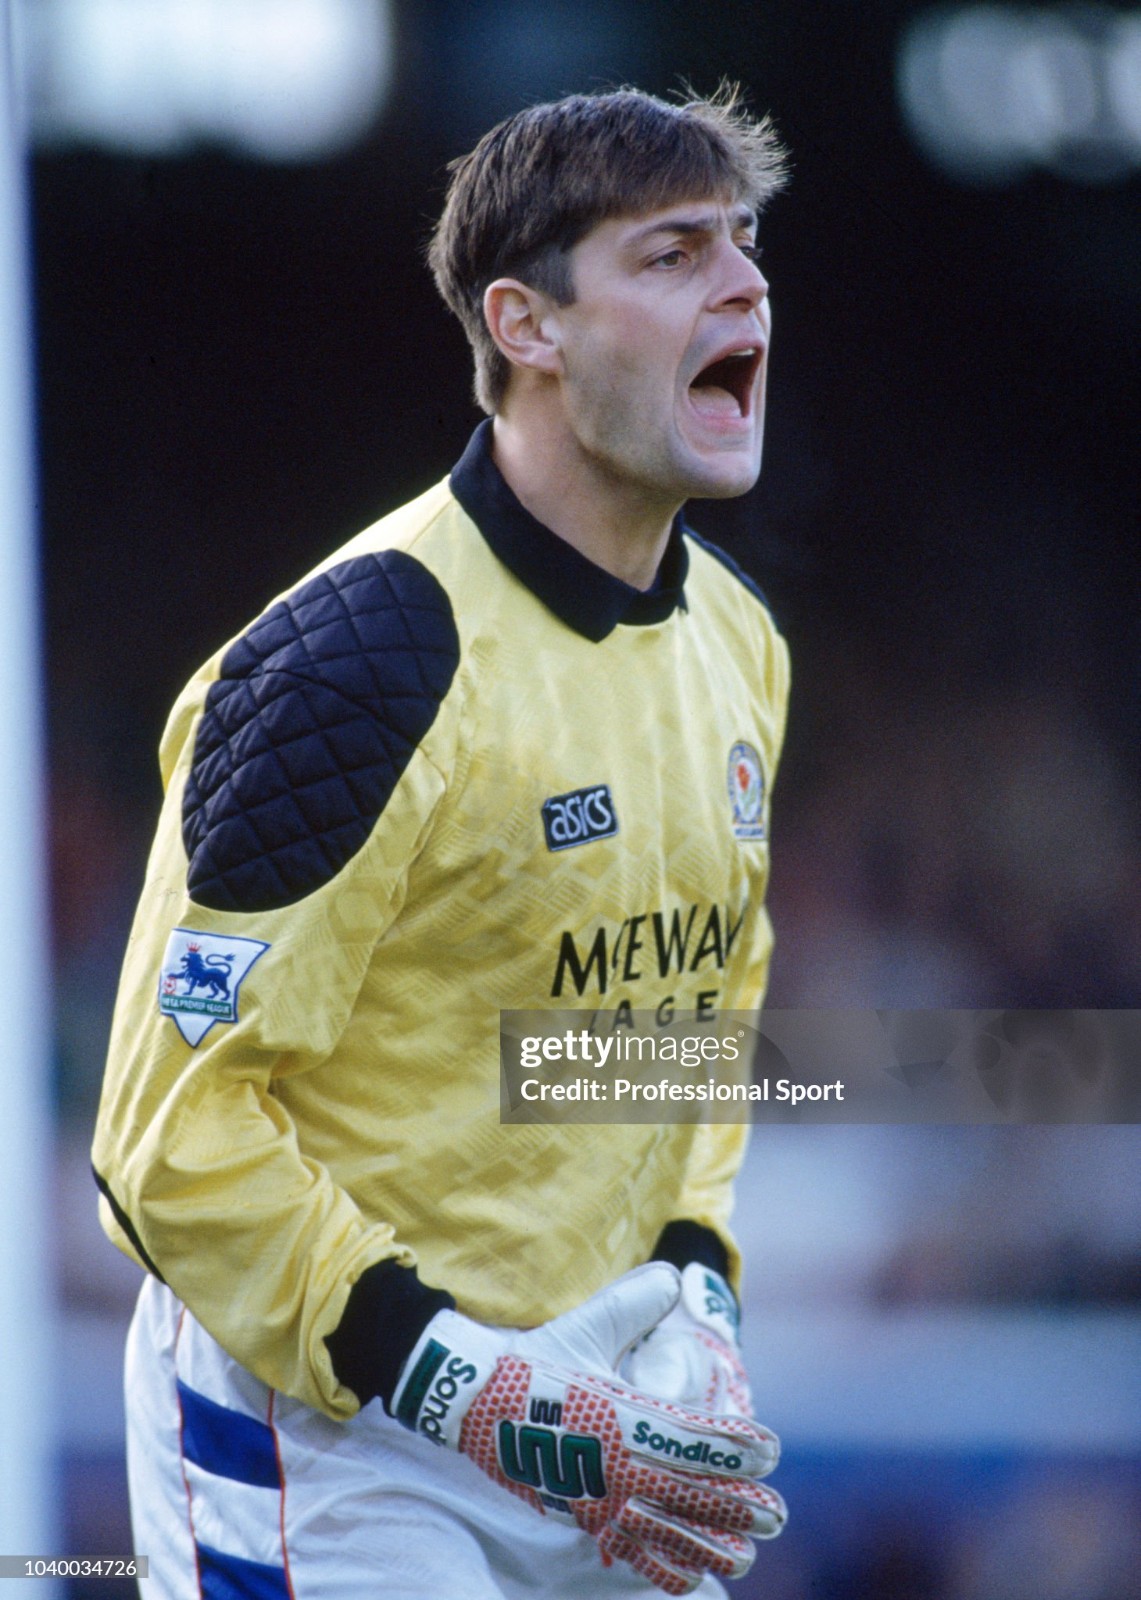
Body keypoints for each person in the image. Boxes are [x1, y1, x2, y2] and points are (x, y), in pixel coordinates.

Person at [92, 84, 792, 1599]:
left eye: (742, 245)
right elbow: (166, 1142)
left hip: (602, 1407)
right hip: (341, 1437)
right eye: (671, 256)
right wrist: (465, 1385)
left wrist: (697, 1290)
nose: (744, 284)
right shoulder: (356, 664)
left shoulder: (739, 642)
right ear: (524, 326)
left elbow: (696, 1008)